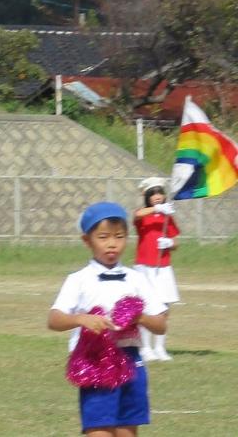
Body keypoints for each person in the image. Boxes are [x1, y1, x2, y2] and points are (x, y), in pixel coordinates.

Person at [48, 201, 168, 437]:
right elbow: (54, 319)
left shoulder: (137, 279)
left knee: (127, 430)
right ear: (87, 240)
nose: (112, 244)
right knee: (99, 429)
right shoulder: (78, 279)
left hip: (132, 361)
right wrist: (81, 319)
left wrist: (139, 317)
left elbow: (161, 325)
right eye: (103, 237)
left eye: (119, 237)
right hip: (96, 362)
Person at [133, 177, 180, 362]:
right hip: (145, 267)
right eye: (153, 194)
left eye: (160, 193)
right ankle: (145, 347)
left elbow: (176, 242)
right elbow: (137, 215)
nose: (158, 196)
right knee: (146, 306)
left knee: (164, 307)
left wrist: (169, 243)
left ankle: (160, 347)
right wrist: (157, 209)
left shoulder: (168, 216)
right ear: (147, 197)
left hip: (163, 267)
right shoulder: (144, 215)